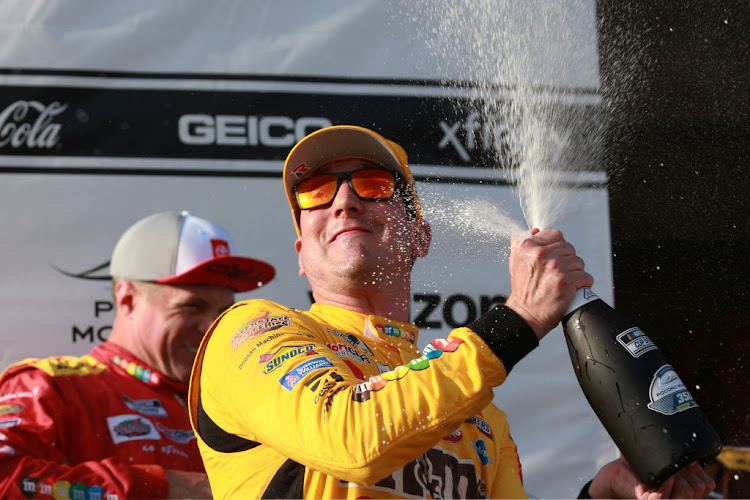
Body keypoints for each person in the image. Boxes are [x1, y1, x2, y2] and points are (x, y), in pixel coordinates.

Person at [188, 126, 716, 499]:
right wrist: (519, 319)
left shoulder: (480, 415)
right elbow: (351, 438)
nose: (344, 203)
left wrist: (601, 496)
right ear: (300, 253)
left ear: (420, 235)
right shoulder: (252, 331)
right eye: (316, 192)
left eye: (373, 186)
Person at [0, 211, 276, 499]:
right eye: (192, 306)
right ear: (128, 300)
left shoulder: (241, 399)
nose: (212, 328)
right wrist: (166, 486)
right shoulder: (53, 387)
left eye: (223, 313)